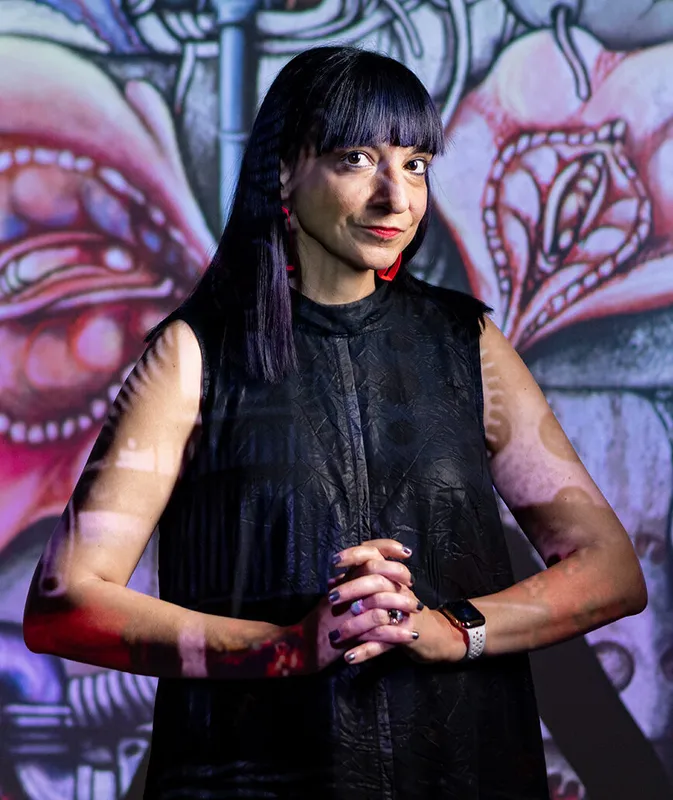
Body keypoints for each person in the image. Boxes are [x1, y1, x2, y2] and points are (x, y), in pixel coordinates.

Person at [23, 46, 646, 799]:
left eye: (414, 164)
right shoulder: (193, 357)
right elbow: (65, 605)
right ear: (284, 171)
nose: (396, 198)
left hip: (465, 772)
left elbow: (608, 569)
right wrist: (284, 650)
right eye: (357, 159)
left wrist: (451, 630)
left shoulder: (465, 343)